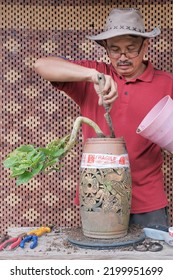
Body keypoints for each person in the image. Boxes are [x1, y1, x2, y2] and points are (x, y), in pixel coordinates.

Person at [34, 8, 173, 227]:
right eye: (115, 50)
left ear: (146, 46)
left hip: (147, 202)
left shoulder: (167, 83)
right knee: (99, 258)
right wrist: (93, 76)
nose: (123, 57)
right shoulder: (93, 74)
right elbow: (41, 65)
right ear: (106, 49)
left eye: (131, 49)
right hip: (97, 198)